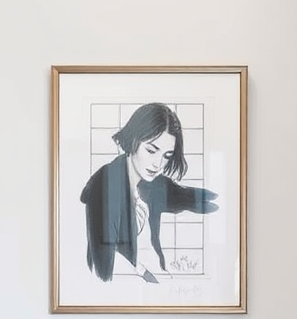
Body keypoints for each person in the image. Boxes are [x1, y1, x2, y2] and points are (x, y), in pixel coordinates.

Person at [80, 101, 218, 283]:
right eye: (151, 150)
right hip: (124, 287)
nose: (158, 164)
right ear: (133, 140)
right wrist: (146, 276)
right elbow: (103, 267)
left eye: (167, 156)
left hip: (150, 281)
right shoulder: (105, 185)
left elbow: (191, 198)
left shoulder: (153, 184)